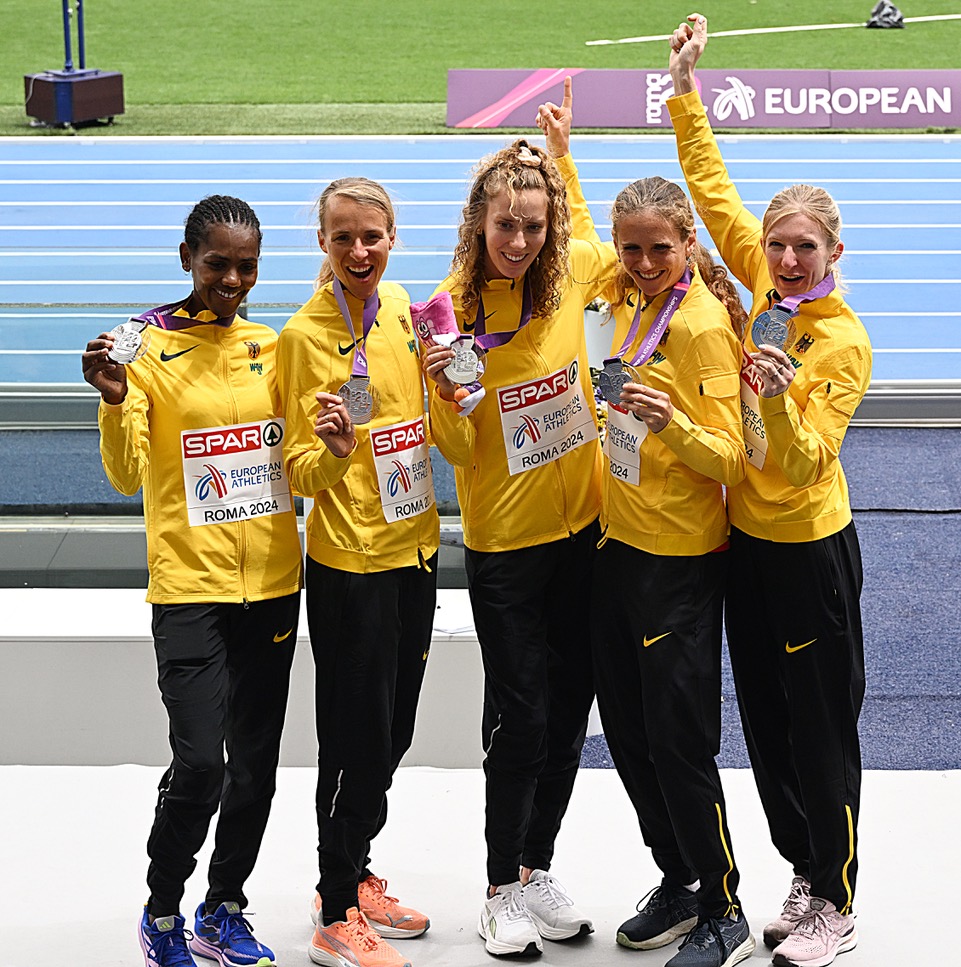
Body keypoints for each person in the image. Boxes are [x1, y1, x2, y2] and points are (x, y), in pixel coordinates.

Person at [668, 15, 872, 967]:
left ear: (833, 252)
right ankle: (802, 870)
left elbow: (802, 464)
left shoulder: (841, 343)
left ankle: (837, 897)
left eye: (804, 248)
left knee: (821, 727)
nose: (787, 260)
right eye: (778, 245)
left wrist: (781, 400)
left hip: (808, 552)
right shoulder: (762, 285)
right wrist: (682, 92)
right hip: (744, 545)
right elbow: (711, 193)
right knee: (766, 720)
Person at [537, 79, 754, 967]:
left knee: (678, 742)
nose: (641, 261)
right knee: (626, 735)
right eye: (632, 249)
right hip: (616, 548)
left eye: (659, 247)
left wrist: (674, 427)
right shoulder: (620, 296)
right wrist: (562, 160)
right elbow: (588, 237)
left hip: (680, 563)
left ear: (688, 243)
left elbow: (732, 458)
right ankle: (679, 876)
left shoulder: (699, 327)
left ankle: (725, 907)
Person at [81, 195, 303, 967]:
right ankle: (161, 909)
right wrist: (115, 400)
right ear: (186, 259)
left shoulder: (272, 347)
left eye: (246, 267)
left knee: (254, 767)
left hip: (272, 586)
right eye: (217, 264)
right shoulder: (143, 348)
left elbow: (302, 452)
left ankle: (224, 906)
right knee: (203, 762)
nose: (232, 280)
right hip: (189, 590)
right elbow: (124, 474)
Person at [422, 138, 618, 957]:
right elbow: (456, 452)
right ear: (477, 221)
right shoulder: (448, 312)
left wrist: (563, 162)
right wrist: (444, 394)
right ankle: (500, 885)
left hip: (585, 534)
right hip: (506, 545)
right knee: (522, 716)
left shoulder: (570, 270)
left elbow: (610, 248)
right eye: (506, 224)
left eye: (534, 225)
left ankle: (537, 866)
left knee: (568, 712)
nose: (519, 241)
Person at [277, 177, 438, 967]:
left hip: (415, 549)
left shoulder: (404, 309)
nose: (358, 250)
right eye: (342, 237)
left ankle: (355, 868)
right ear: (322, 242)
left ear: (392, 235)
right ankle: (335, 905)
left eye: (371, 235)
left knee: (393, 731)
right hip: (351, 564)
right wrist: (337, 455)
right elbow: (296, 469)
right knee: (353, 739)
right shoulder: (301, 337)